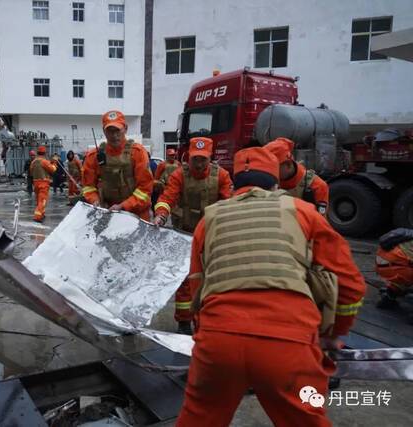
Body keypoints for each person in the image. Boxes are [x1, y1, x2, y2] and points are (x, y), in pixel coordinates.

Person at [176, 147, 366, 427]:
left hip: (219, 342)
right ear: (276, 183)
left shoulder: (210, 219)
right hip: (289, 341)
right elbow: (350, 286)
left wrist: (205, 334)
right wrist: (333, 335)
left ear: (234, 183)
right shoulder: (304, 212)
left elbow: (196, 287)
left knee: (199, 418)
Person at [153, 137, 232, 334]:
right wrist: (161, 215)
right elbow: (167, 197)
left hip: (211, 236)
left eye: (202, 159)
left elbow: (229, 203)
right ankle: (184, 321)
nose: (198, 163)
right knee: (185, 281)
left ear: (210, 158)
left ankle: (209, 321)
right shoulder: (180, 175)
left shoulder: (221, 176)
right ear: (189, 157)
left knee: (213, 279)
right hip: (185, 234)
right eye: (195, 159)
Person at [81, 110, 153, 221]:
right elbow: (88, 187)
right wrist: (94, 200)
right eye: (110, 131)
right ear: (104, 132)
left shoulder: (137, 153)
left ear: (125, 128)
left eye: (117, 130)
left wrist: (123, 206)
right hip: (108, 214)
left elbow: (145, 189)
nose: (114, 135)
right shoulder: (94, 156)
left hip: (137, 216)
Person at [264, 137, 329, 215]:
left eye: (274, 167)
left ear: (288, 165)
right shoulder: (265, 184)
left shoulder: (317, 186)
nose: (269, 171)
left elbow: (320, 221)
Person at [375, 228, 413, 321]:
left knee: (403, 277)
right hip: (398, 267)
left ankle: (388, 298)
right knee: (406, 272)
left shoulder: (408, 236)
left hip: (382, 264)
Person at [30, 145, 57, 222]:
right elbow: (53, 169)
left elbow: (31, 173)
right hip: (43, 183)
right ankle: (37, 216)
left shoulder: (33, 162)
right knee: (42, 200)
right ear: (44, 153)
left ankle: (42, 213)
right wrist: (54, 162)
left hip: (35, 183)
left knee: (39, 200)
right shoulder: (44, 161)